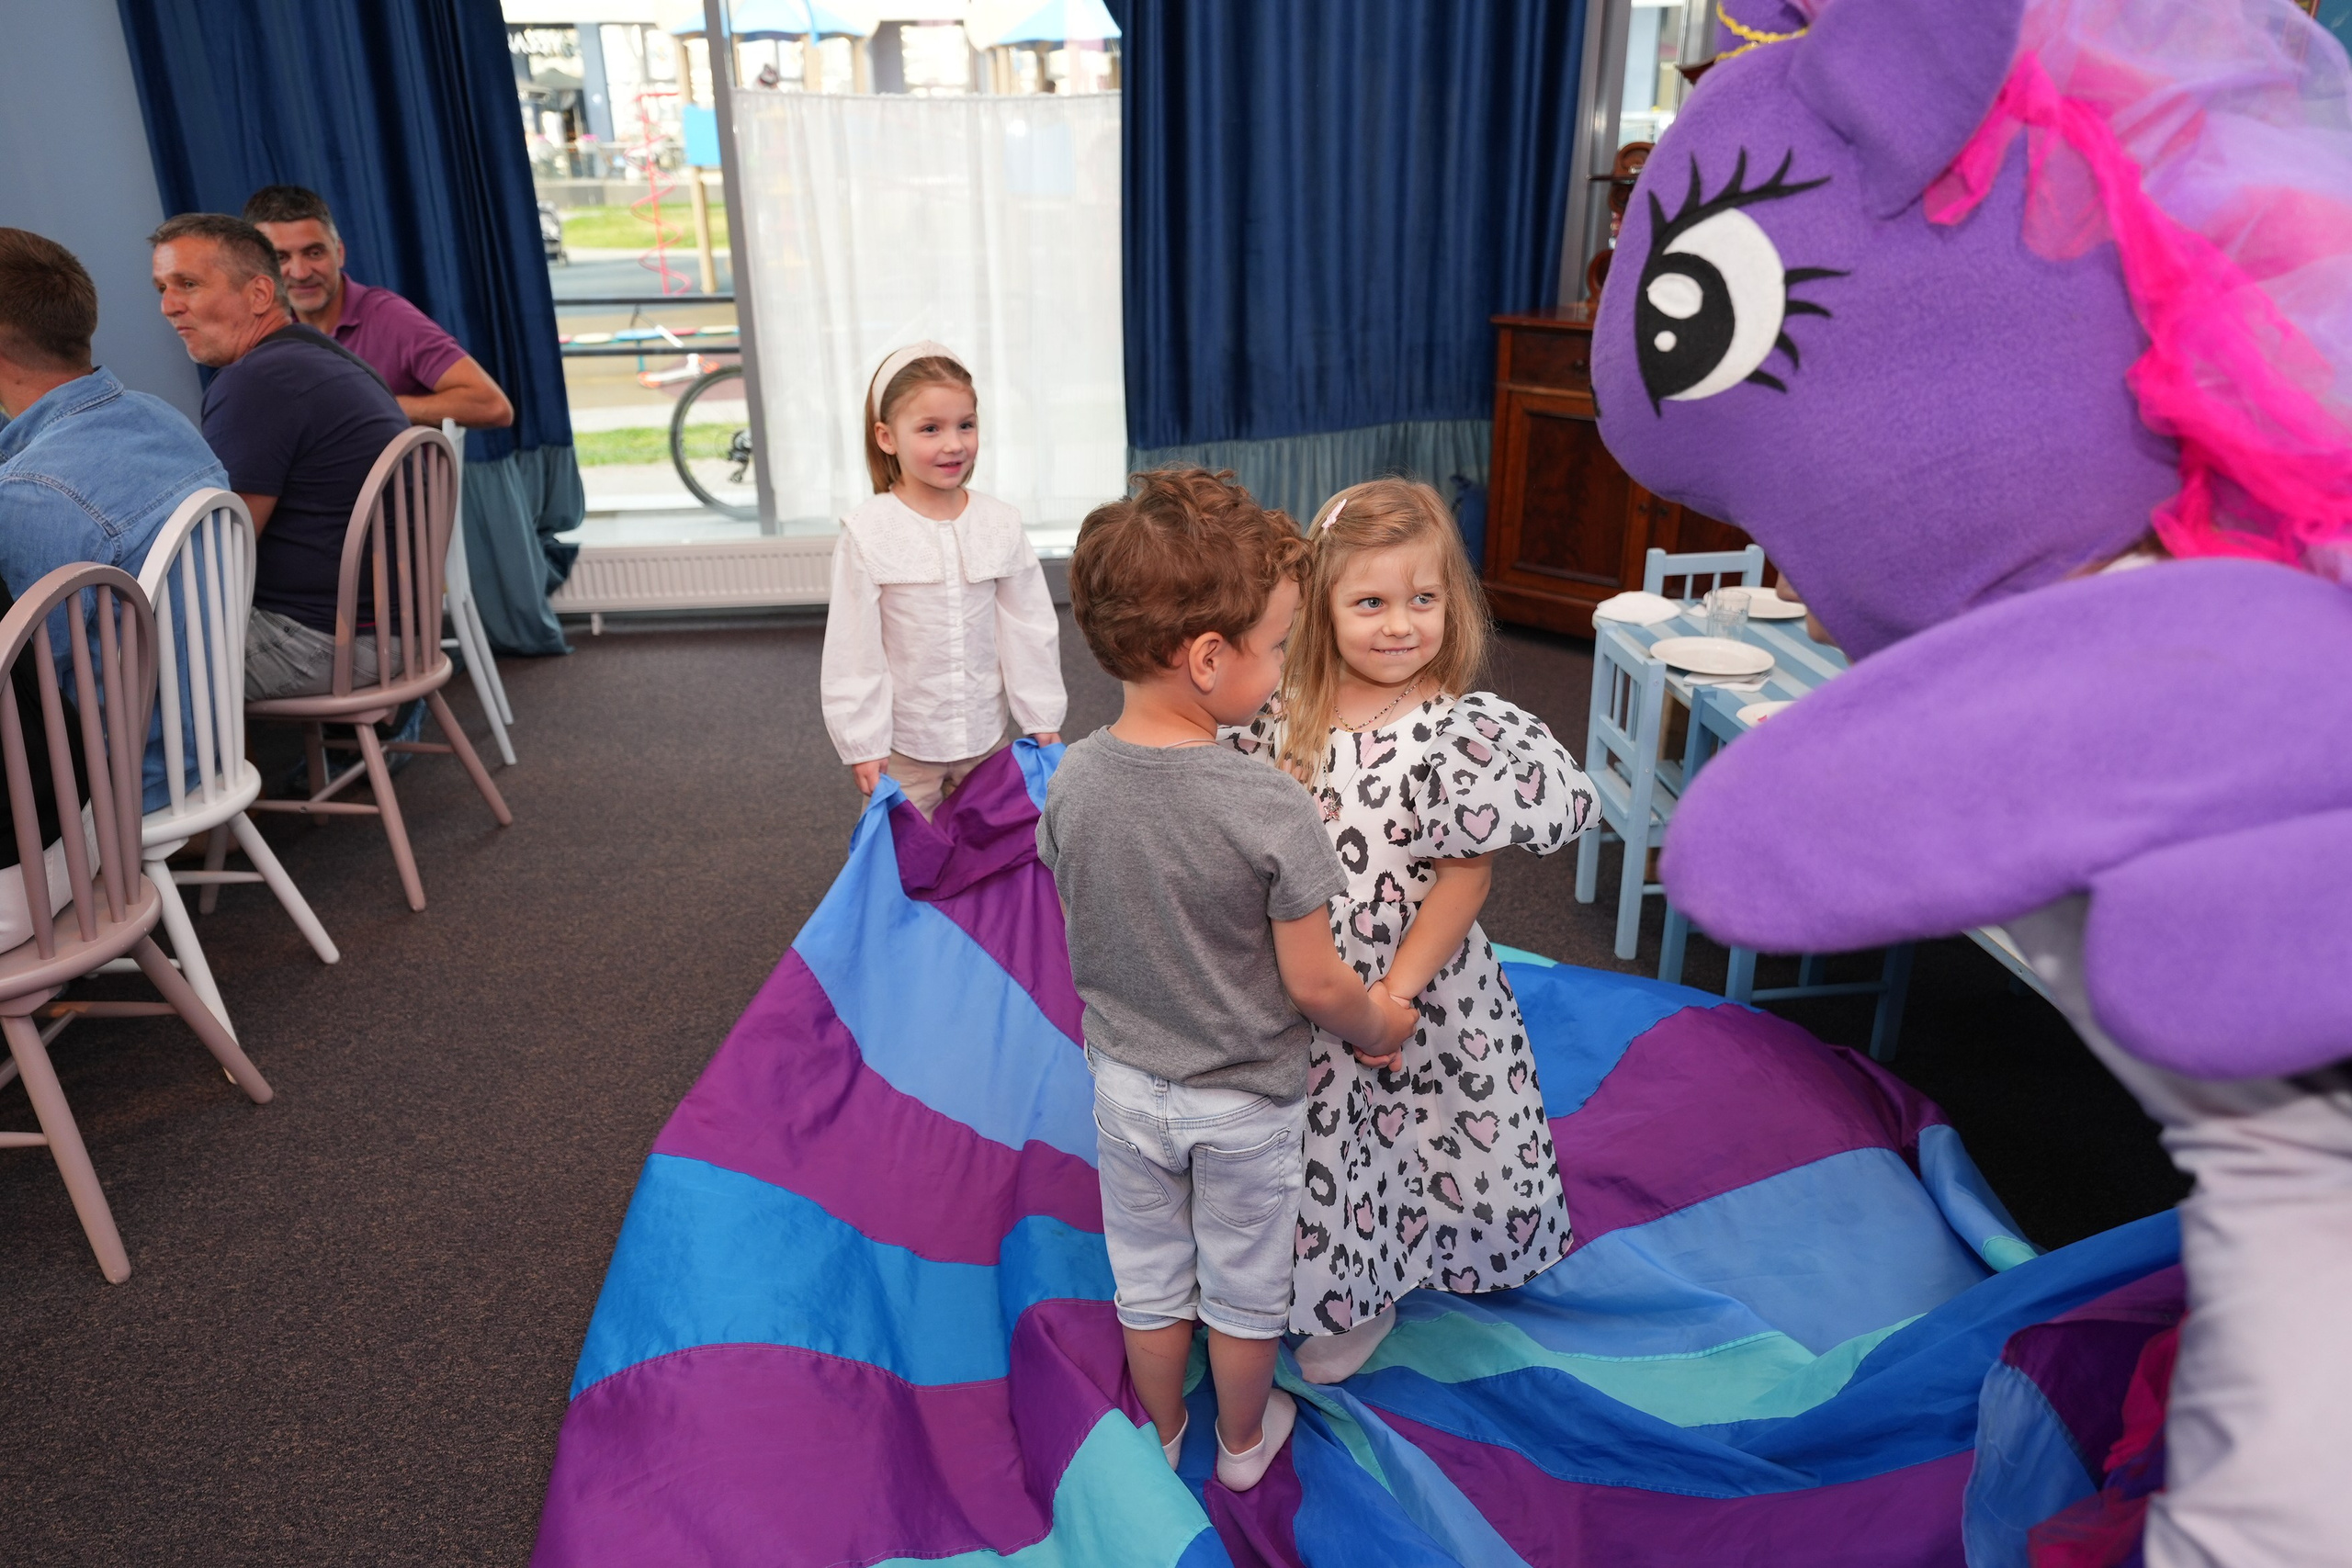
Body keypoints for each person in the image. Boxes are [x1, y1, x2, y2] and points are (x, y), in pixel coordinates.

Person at [1036, 468, 1420, 1493]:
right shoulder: (1266, 806)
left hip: (1126, 1087)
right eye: (1280, 644)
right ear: (1209, 658)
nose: (1286, 664)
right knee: (1245, 1289)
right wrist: (1380, 1021)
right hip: (1245, 1102)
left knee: (1150, 1279)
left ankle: (1164, 1433)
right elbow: (1318, 985)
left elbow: (1084, 900)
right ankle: (1245, 1445)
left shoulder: (1071, 779)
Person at [1227, 479, 1596, 1382]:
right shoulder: (1283, 712)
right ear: (1321, 606)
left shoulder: (1459, 734)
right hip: (1307, 971)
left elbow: (1464, 879)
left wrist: (1394, 995)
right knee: (1318, 1141)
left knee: (1400, 1139)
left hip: (1413, 982)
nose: (1400, 625)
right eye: (1371, 603)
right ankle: (1302, 1271)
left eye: (1422, 599)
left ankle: (1366, 1295)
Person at [0, 227, 229, 810]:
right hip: (209, 747)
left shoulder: (33, 495)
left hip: (118, 787)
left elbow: (25, 687)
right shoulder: (159, 418)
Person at [150, 213, 411, 700]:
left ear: (259, 294)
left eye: (188, 284)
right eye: (162, 288)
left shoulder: (257, 380)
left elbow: (221, 555)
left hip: (330, 643)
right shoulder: (324, 354)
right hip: (399, 628)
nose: (168, 306)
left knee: (108, 664)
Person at [820, 342, 1064, 818]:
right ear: (887, 437)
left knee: (994, 847)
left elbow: (1028, 627)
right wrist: (863, 742)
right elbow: (854, 648)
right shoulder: (868, 531)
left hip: (986, 741)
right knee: (907, 852)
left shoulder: (1000, 523)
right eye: (930, 429)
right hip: (906, 748)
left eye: (965, 425)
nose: (954, 444)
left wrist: (1041, 716)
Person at [241, 186, 513, 430]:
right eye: (280, 258)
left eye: (314, 253)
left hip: (394, 471)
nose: (300, 273)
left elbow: (493, 406)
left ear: (339, 253)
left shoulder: (388, 316)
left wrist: (374, 406)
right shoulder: (261, 329)